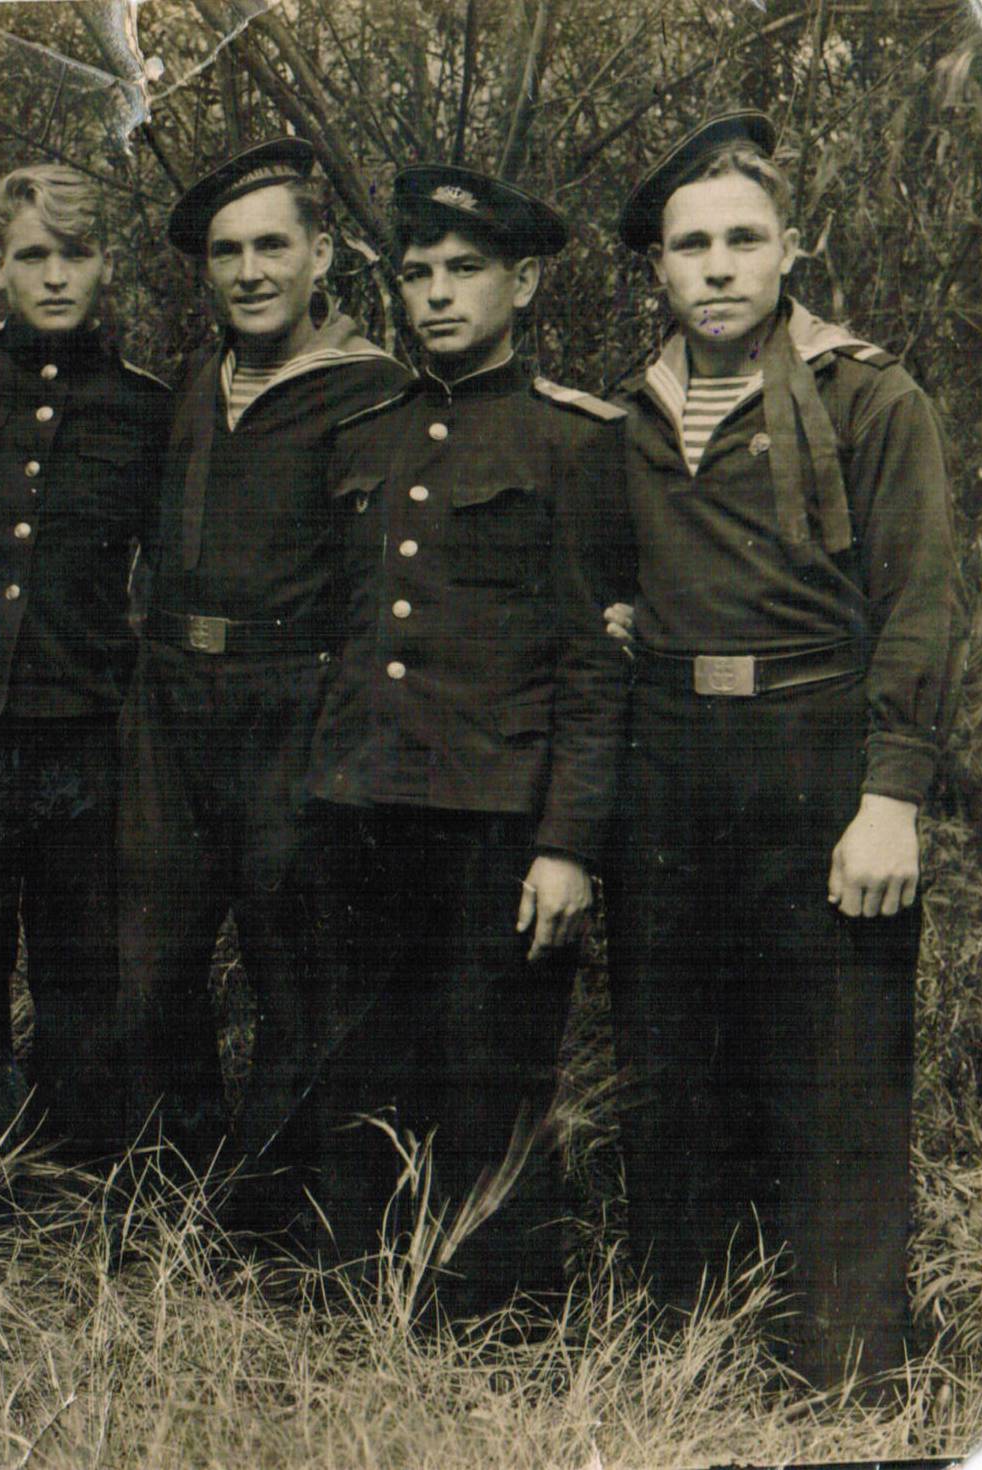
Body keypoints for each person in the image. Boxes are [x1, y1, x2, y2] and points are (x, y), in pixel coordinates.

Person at [604, 112, 960, 1388]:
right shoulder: (630, 413)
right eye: (691, 245)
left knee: (839, 1065)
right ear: (659, 265)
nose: (717, 267)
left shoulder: (871, 396)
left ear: (791, 247)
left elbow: (922, 603)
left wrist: (890, 797)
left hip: (816, 750)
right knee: (673, 1055)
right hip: (667, 762)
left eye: (743, 239)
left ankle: (851, 1374)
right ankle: (687, 1356)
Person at [302, 166, 630, 1314]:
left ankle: (496, 1319)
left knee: (492, 1072)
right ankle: (359, 1300)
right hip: (365, 808)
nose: (436, 295)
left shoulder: (576, 444)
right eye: (416, 274)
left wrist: (568, 844)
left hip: (499, 820)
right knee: (367, 1062)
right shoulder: (364, 435)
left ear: (524, 283)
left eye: (464, 270)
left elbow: (594, 666)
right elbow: (339, 630)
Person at [118, 138, 404, 1226]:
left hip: (296, 699)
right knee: (151, 960)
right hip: (171, 700)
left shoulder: (370, 391)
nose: (250, 272)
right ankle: (177, 1198)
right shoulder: (196, 381)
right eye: (228, 253)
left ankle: (278, 1219)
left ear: (320, 254)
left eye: (272, 246)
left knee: (299, 969)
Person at [0, 166, 170, 1171]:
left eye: (76, 254)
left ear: (107, 265)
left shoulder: (144, 408)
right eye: (33, 255)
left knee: (82, 964)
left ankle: (79, 1177)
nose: (55, 276)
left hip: (85, 730)